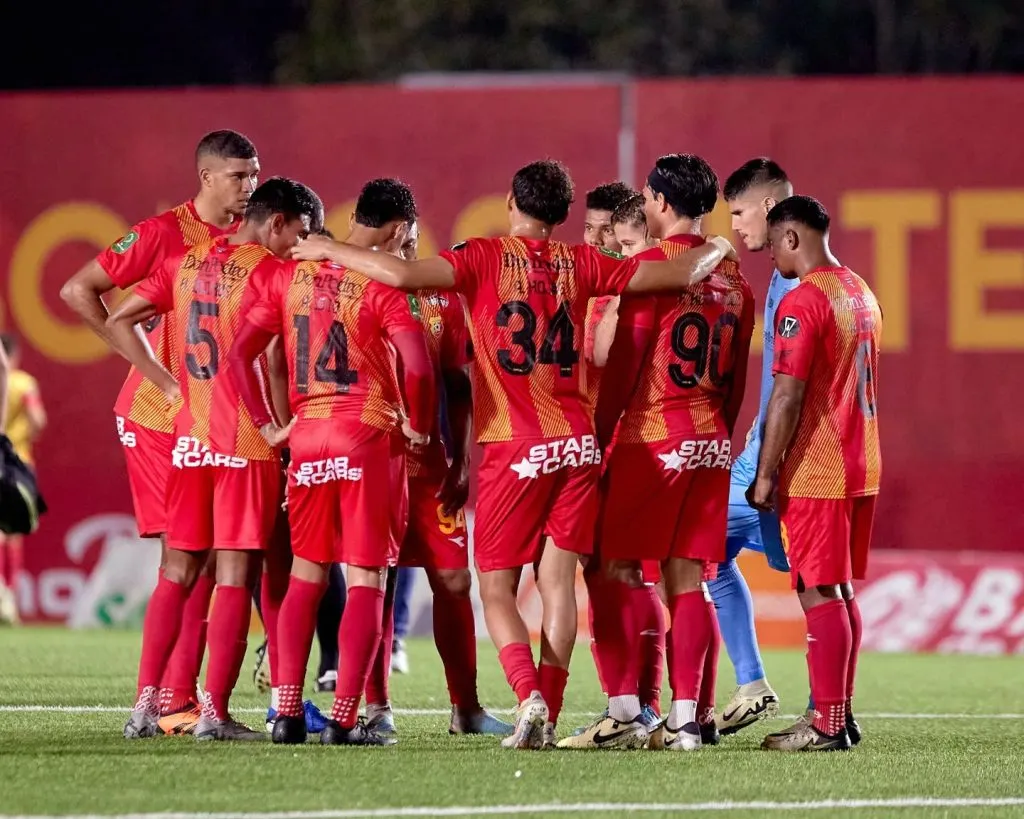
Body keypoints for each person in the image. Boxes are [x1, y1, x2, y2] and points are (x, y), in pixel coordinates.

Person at [291, 158, 737, 749]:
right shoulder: (585, 262)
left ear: (510, 202)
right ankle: (548, 715)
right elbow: (675, 274)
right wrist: (719, 245)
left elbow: (399, 277)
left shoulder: (479, 256)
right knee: (557, 584)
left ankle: (527, 695)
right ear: (563, 215)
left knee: (496, 586)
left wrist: (329, 248)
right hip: (576, 442)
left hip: (514, 442)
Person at [104, 177, 322, 741]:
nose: (297, 246)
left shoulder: (187, 260)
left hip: (189, 441)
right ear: (277, 222)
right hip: (244, 445)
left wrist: (166, 385)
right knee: (233, 576)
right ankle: (214, 713)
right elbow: (268, 363)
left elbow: (118, 319)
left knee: (175, 573)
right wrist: (280, 428)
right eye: (297, 234)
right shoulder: (274, 273)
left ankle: (143, 707)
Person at [60, 130, 261, 735]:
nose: (248, 186)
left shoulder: (243, 243)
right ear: (205, 177)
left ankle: (181, 699)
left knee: (203, 557)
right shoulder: (161, 236)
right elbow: (78, 290)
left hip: (212, 418)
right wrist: (158, 376)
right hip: (156, 417)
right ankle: (174, 700)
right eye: (238, 176)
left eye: (254, 175)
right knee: (187, 555)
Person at [228, 179, 435, 748]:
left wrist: (271, 426)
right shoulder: (385, 282)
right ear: (397, 230)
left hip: (310, 436)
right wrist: (417, 423)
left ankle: (288, 713)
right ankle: (346, 718)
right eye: (409, 240)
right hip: (368, 435)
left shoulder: (285, 273)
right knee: (367, 578)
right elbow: (418, 368)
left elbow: (238, 357)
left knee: (307, 575)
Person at [562, 154, 754, 751]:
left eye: (647, 196)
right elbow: (739, 375)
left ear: (663, 204)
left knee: (607, 564)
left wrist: (597, 430)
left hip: (653, 434)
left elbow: (627, 357)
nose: (642, 203)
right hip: (709, 437)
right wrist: (717, 431)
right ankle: (685, 721)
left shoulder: (651, 267)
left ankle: (624, 708)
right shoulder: (737, 282)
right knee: (687, 579)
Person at [748, 195, 881, 752]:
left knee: (816, 591)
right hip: (862, 457)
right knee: (839, 589)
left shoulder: (803, 299)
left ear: (793, 238)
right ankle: (840, 715)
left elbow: (786, 394)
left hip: (818, 466)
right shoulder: (860, 290)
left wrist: (765, 472)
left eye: (774, 243)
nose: (770, 254)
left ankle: (825, 724)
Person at [371, 216, 512, 737]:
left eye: (411, 242)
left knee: (454, 580)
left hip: (430, 470)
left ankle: (466, 709)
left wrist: (461, 462)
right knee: (374, 582)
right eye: (397, 242)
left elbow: (458, 385)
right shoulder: (354, 291)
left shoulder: (439, 301)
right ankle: (376, 708)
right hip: (374, 464)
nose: (405, 251)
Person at [706, 158, 798, 735]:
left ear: (768, 206)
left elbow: (796, 386)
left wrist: (770, 461)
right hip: (759, 455)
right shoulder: (787, 274)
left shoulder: (801, 280)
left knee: (819, 583)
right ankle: (752, 682)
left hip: (786, 463)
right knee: (706, 555)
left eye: (739, 212)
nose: (736, 225)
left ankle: (830, 713)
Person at [0, 334, 46, 625]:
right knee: (12, 532)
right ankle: (10, 598)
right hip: (16, 462)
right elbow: (37, 419)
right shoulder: (22, 383)